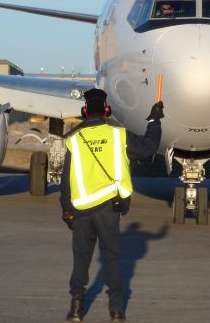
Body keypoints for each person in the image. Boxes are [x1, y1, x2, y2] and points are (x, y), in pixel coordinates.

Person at [60, 88, 163, 323]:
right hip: (108, 209)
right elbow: (147, 148)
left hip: (81, 211)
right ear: (107, 110)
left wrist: (67, 211)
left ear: (85, 111)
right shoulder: (118, 135)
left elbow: (65, 180)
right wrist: (154, 120)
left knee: (81, 261)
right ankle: (116, 311)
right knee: (111, 259)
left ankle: (76, 309)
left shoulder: (74, 140)